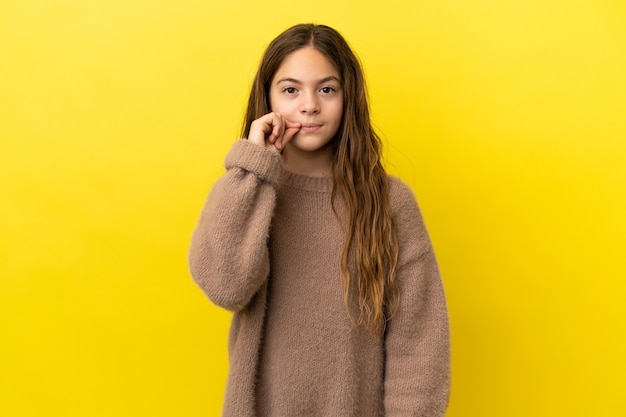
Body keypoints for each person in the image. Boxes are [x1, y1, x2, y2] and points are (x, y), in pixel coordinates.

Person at [188, 23, 450, 417]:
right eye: (291, 90)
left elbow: (419, 342)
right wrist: (253, 170)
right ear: (268, 98)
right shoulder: (249, 192)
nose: (309, 105)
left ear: (348, 98)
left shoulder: (390, 202)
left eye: (326, 89)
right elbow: (227, 286)